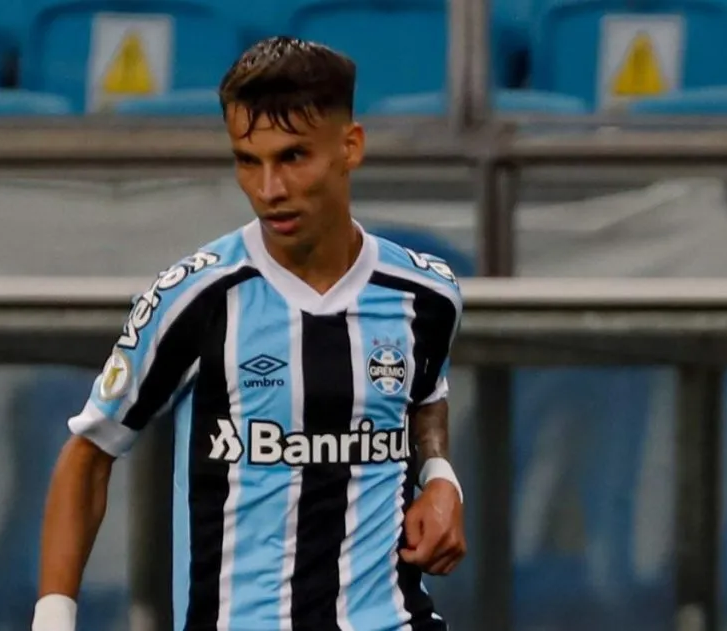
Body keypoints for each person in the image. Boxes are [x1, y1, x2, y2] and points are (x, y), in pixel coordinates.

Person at [32, 36, 467, 631]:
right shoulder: (196, 298)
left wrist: (438, 477)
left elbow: (425, 395)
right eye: (247, 160)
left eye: (292, 157)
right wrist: (52, 620)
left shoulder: (427, 296)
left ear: (350, 147)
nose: (268, 190)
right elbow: (89, 453)